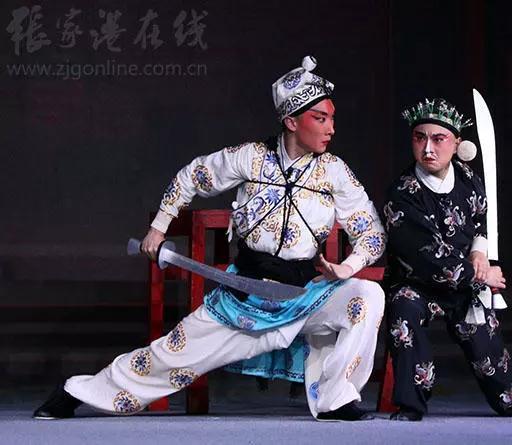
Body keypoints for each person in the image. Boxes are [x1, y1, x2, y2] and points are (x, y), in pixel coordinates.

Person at [33, 56, 386, 422]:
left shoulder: (334, 172)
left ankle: (336, 399)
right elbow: (192, 176)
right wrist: (159, 227)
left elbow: (372, 233)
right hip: (246, 296)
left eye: (332, 118)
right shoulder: (250, 158)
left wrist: (347, 267)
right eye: (321, 118)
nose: (331, 129)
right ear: (292, 122)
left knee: (367, 296)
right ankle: (77, 391)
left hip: (304, 295)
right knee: (169, 358)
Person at [383, 98, 512, 421]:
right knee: (404, 308)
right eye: (419, 138)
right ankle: (411, 404)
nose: (428, 148)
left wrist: (478, 251)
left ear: (457, 143)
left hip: (464, 283)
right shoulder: (402, 192)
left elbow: (482, 221)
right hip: (417, 283)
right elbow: (426, 256)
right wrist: (481, 275)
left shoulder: (467, 179)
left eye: (438, 139)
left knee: (483, 333)